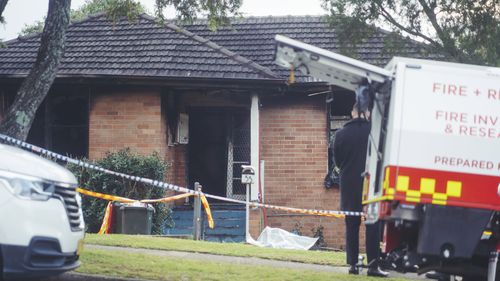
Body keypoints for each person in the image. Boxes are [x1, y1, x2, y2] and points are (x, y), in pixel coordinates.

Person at [333, 102, 388, 278]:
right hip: (371, 185)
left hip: (349, 186)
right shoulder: (374, 133)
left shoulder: (340, 134)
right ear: (368, 112)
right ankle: (373, 265)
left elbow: (338, 162)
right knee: (372, 225)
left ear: (353, 112)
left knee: (351, 225)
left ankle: (353, 264)